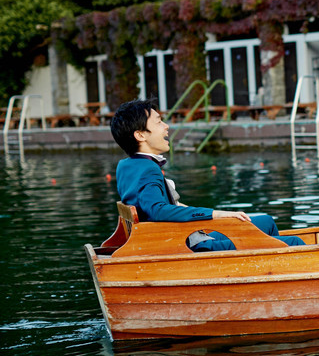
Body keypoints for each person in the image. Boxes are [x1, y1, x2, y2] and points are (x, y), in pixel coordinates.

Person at [110, 98, 305, 251]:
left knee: (267, 221)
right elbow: (157, 210)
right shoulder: (148, 169)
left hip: (173, 238)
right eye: (159, 122)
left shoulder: (127, 166)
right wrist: (217, 214)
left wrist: (218, 217)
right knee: (294, 242)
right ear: (141, 135)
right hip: (189, 246)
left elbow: (155, 207)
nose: (166, 126)